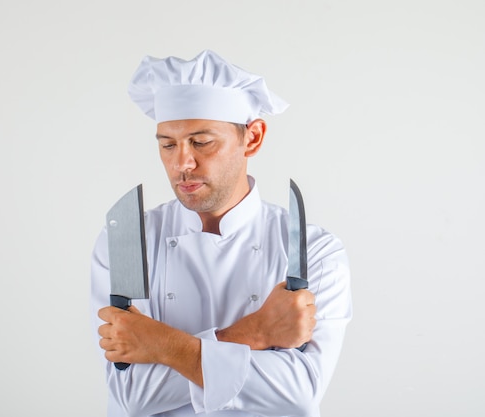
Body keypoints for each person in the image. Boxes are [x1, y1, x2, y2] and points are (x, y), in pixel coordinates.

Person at [91, 49, 352, 417]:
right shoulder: (129, 241)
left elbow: (298, 393)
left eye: (201, 142)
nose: (182, 163)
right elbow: (134, 393)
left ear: (253, 138)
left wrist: (160, 346)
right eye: (167, 144)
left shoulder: (312, 249)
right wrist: (258, 333)